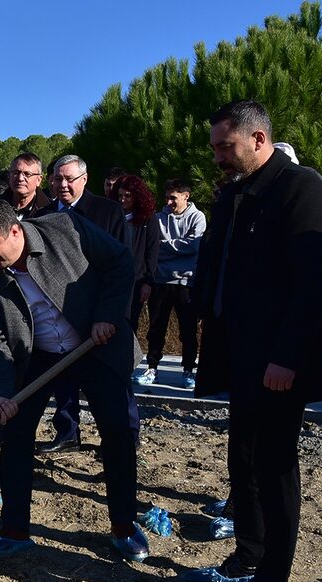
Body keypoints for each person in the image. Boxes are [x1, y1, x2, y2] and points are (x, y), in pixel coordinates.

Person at [183, 100, 322, 582]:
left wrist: (286, 357)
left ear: (258, 138)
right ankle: (247, 556)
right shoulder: (233, 195)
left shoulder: (300, 188)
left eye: (226, 147)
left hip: (278, 361)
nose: (218, 157)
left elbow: (313, 283)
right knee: (242, 458)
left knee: (273, 465)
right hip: (238, 353)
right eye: (215, 148)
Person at [0, 198, 149, 560]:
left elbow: (119, 262)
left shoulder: (67, 230)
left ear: (14, 231)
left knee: (117, 432)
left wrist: (106, 314)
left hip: (95, 343)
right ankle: (15, 529)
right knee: (14, 433)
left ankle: (124, 526)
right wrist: (1, 394)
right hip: (38, 357)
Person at [41, 154, 129, 454]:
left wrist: (110, 313)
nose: (62, 185)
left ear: (84, 179)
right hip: (61, 311)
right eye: (57, 179)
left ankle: (120, 437)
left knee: (113, 383)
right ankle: (67, 431)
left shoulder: (108, 211)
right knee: (63, 378)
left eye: (69, 179)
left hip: (102, 311)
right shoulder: (44, 214)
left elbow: (121, 263)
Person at [141, 179, 207, 389]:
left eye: (174, 197)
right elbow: (151, 246)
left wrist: (165, 246)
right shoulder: (158, 218)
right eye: (167, 197)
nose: (169, 201)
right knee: (156, 327)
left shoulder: (197, 218)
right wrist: (175, 247)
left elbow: (194, 245)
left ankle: (188, 370)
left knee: (187, 329)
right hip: (161, 281)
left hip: (186, 281)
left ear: (186, 196)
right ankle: (152, 367)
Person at [110, 175, 161, 332]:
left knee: (130, 322)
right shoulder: (112, 216)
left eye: (127, 196)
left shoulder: (148, 219)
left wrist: (148, 282)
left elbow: (152, 253)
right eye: (120, 196)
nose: (123, 200)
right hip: (113, 278)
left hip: (136, 280)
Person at [0, 153, 51, 219]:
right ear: (9, 176)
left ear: (38, 180)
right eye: (16, 173)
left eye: (27, 174)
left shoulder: (49, 212)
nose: (20, 178)